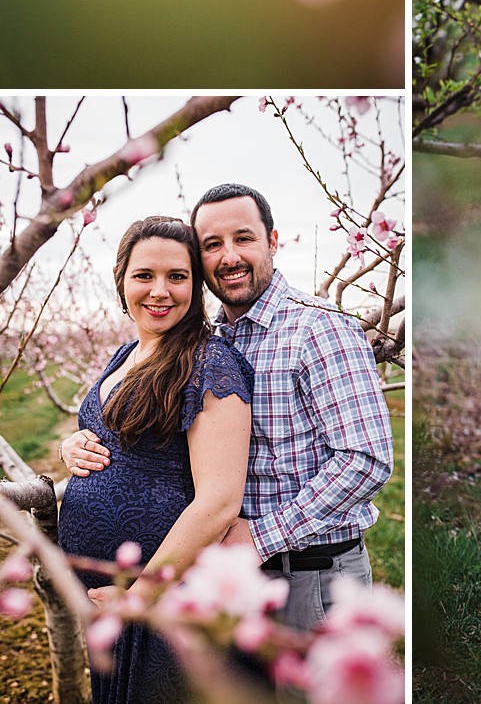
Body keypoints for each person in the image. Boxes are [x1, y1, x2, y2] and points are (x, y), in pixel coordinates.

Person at [65, 184, 393, 627]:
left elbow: (367, 460)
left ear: (272, 242)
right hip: (233, 578)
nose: (229, 257)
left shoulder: (318, 328)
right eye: (212, 245)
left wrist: (260, 537)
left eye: (243, 239)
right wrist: (78, 444)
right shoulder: (212, 339)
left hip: (310, 574)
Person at [57, 218, 253, 704]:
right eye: (144, 275)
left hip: (161, 598)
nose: (160, 291)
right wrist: (70, 446)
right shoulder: (127, 353)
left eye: (177, 276)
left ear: (197, 284)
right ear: (122, 280)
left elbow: (218, 503)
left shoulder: (208, 363)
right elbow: (110, 436)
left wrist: (140, 597)